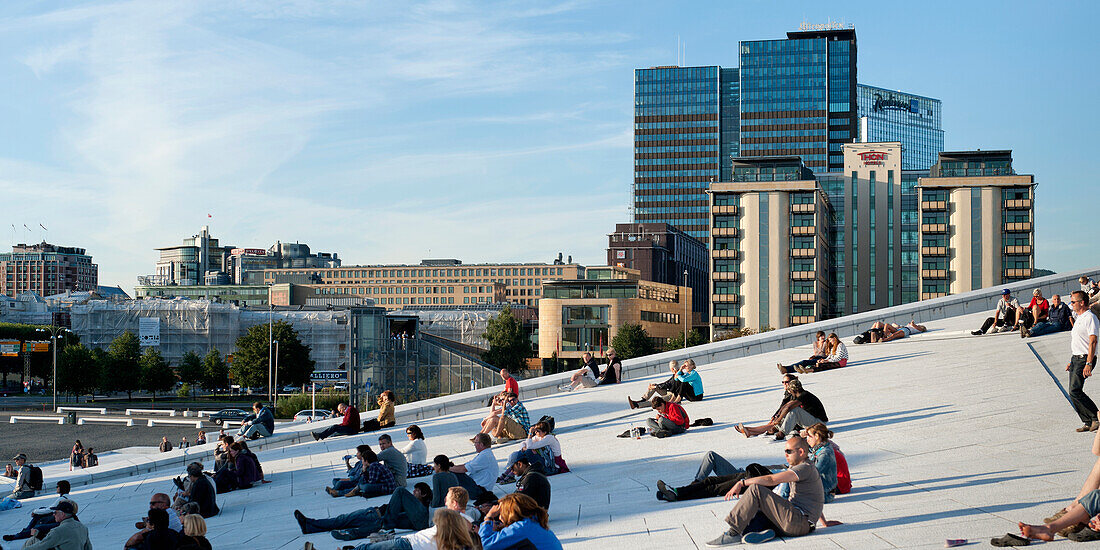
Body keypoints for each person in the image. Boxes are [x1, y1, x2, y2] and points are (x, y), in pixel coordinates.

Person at [704, 435, 824, 547]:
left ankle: (734, 533)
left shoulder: (804, 468)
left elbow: (771, 479)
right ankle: (765, 532)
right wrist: (824, 522)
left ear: (801, 452)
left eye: (789, 451)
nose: (786, 455)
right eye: (785, 451)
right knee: (758, 509)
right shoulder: (804, 467)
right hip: (801, 523)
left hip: (798, 521)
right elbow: (816, 498)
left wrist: (742, 482)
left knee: (756, 490)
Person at [294, 482, 433, 537]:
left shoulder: (417, 510)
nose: (413, 493)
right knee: (341, 520)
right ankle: (310, 525)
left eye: (417, 491)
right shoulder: (409, 506)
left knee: (343, 520)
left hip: (374, 516)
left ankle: (311, 525)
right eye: (413, 490)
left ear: (424, 495)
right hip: (375, 515)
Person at [342, 499, 476, 550]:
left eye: (449, 498)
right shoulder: (456, 525)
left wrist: (486, 520)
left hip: (409, 544)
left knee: (369, 548)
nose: (446, 501)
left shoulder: (463, 520)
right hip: (409, 540)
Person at [737, 376, 828, 440]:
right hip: (810, 422)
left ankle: (781, 434)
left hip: (819, 424)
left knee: (794, 411)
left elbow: (789, 407)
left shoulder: (804, 396)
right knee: (775, 424)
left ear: (793, 390)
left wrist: (779, 418)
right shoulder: (798, 395)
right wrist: (777, 417)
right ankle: (750, 431)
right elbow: (785, 406)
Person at [479, 493, 563, 550]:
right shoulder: (534, 522)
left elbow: (484, 545)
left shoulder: (522, 527)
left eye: (501, 513)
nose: (500, 518)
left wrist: (488, 518)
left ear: (510, 513)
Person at [1067, 290, 1100, 433]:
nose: (1072, 304)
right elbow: (1079, 342)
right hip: (1076, 358)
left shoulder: (1090, 318)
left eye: (1073, 302)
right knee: (1073, 392)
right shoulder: (1079, 317)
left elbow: (1093, 341)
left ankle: (1095, 417)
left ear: (1082, 303)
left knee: (1075, 390)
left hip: (1085, 359)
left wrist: (1088, 362)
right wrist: (1071, 360)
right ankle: (1087, 421)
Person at [3, 480, 73, 542]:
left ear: (61, 488)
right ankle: (27, 530)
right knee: (40, 512)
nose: (56, 488)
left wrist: (35, 511)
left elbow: (48, 510)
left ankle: (20, 535)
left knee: (38, 526)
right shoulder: (67, 498)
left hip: (60, 521)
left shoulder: (62, 499)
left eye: (57, 486)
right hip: (60, 517)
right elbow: (50, 508)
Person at [498, 421, 564, 484]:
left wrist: (530, 434)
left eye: (538, 431)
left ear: (545, 432)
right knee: (522, 453)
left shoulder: (549, 438)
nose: (536, 433)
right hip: (546, 462)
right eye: (535, 431)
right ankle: (510, 473)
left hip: (552, 467)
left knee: (527, 452)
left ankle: (510, 472)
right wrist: (524, 448)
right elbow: (523, 443)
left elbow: (529, 446)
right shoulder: (539, 436)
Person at [628, 359, 703, 407]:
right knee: (655, 386)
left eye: (686, 366)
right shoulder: (679, 375)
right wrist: (656, 386)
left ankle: (637, 405)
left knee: (656, 401)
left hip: (673, 395)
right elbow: (667, 383)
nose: (685, 367)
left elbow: (677, 384)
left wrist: (678, 373)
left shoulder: (686, 375)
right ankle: (642, 400)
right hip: (671, 392)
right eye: (685, 366)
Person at [19, 501, 90, 550]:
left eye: (55, 512)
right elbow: (88, 547)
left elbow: (42, 546)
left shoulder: (58, 531)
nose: (53, 515)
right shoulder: (82, 527)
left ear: (63, 514)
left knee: (32, 540)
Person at [448, 434, 498, 499]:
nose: (474, 445)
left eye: (475, 442)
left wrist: (447, 468)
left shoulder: (484, 456)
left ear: (481, 444)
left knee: (453, 473)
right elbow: (466, 465)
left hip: (479, 491)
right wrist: (452, 467)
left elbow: (464, 469)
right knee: (453, 470)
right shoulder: (485, 454)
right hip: (477, 487)